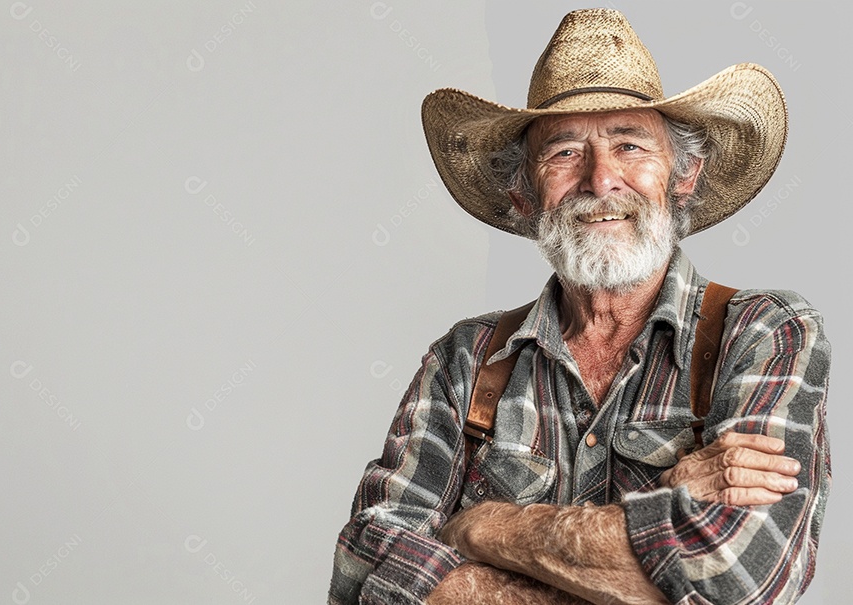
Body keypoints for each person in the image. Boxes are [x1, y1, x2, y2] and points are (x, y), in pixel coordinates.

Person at [329, 8, 830, 605]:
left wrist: (481, 528)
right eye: (565, 152)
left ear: (684, 174)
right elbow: (365, 574)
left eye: (630, 145)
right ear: (523, 190)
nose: (601, 179)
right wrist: (662, 514)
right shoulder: (465, 360)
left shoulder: (764, 332)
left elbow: (739, 576)